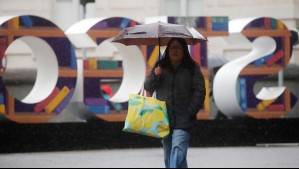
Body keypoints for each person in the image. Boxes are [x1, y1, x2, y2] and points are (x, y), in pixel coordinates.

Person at [144, 38, 206, 168]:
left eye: (178, 48)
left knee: (177, 151)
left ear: (184, 50)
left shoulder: (192, 68)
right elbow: (148, 87)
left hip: (184, 118)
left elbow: (200, 90)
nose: (175, 50)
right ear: (167, 50)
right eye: (172, 47)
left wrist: (191, 111)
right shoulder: (160, 66)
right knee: (169, 155)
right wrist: (155, 75)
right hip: (164, 118)